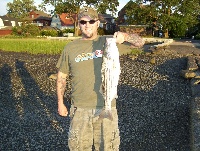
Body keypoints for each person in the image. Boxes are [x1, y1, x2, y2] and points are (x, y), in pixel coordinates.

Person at [56, 7, 144, 151]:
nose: (87, 25)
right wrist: (60, 103)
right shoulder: (70, 48)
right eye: (83, 21)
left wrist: (125, 37)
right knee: (78, 147)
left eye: (91, 21)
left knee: (108, 148)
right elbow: (61, 77)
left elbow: (141, 42)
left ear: (98, 23)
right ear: (78, 24)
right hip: (80, 109)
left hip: (106, 106)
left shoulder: (109, 42)